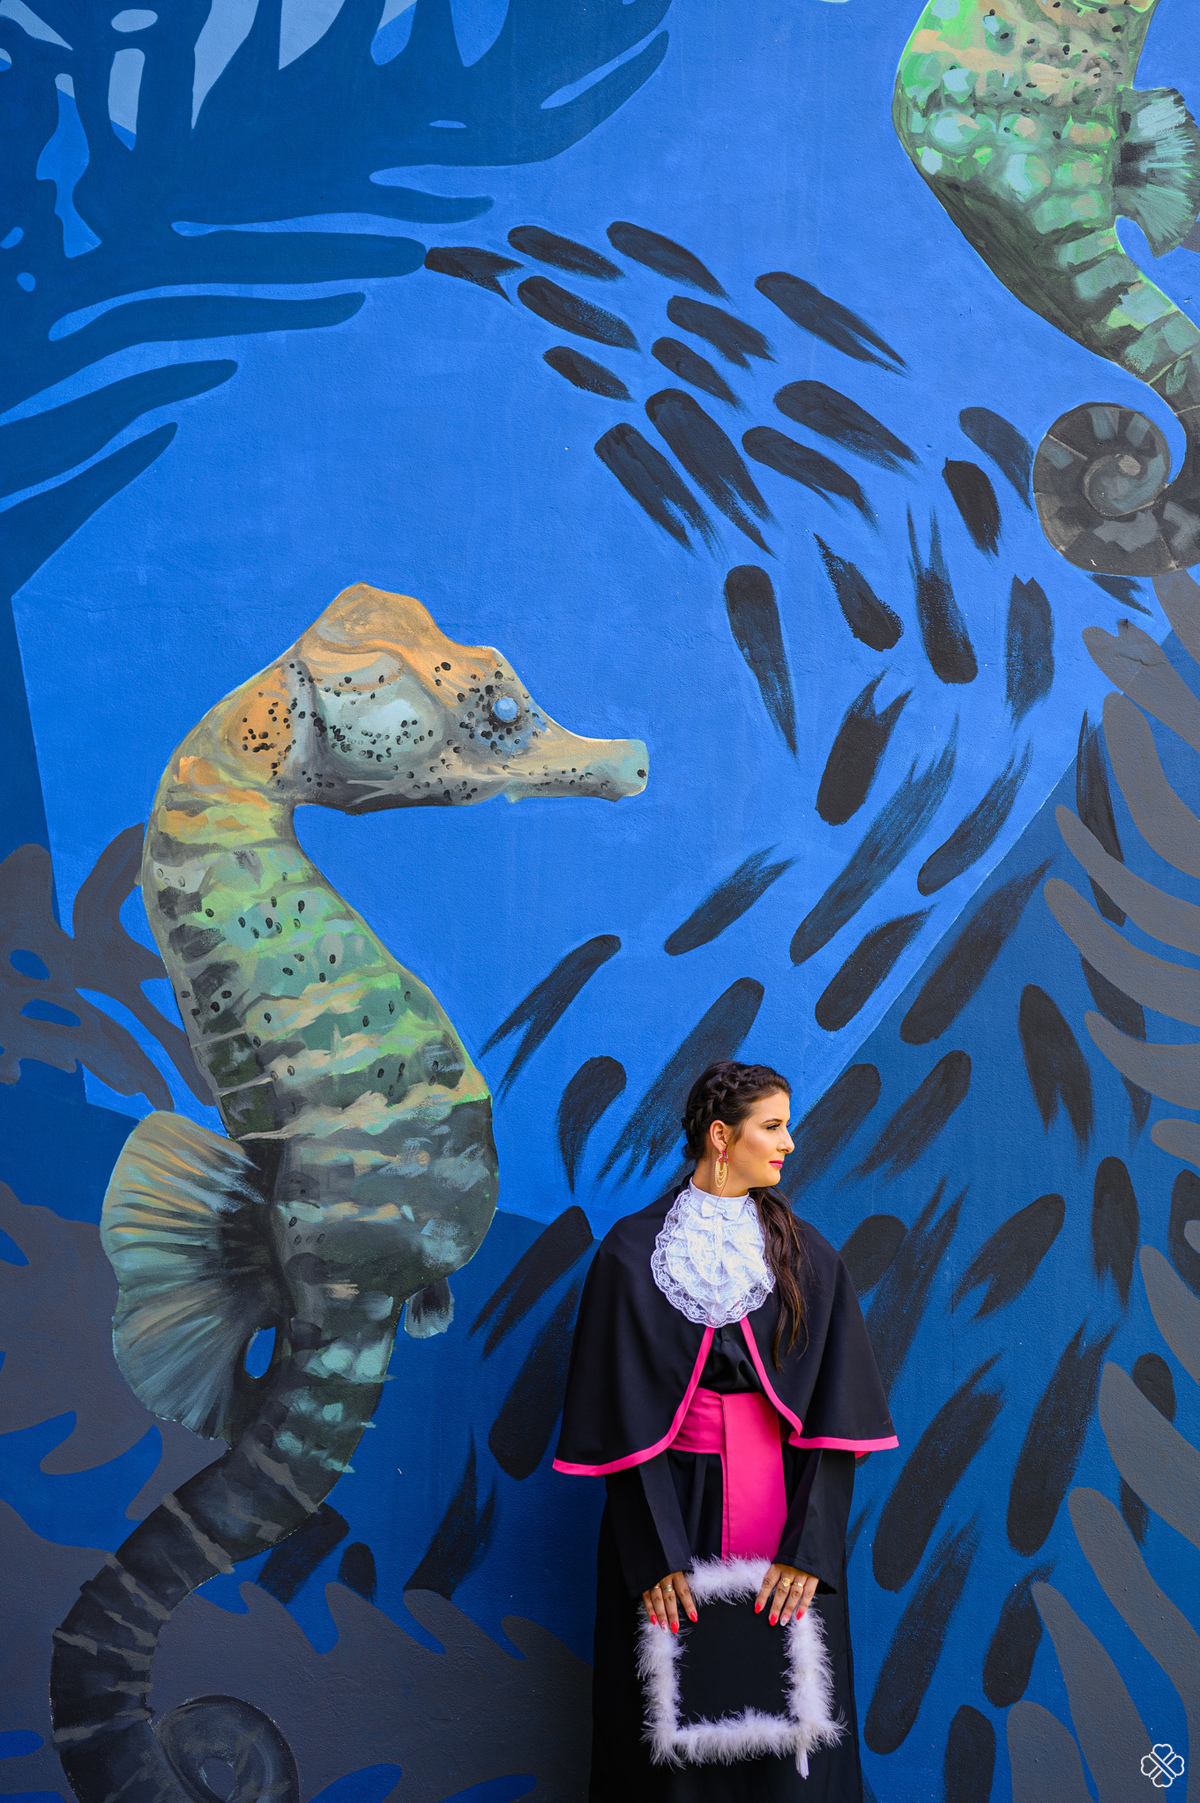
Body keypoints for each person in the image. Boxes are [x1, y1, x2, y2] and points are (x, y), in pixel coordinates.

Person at [554, 1060, 897, 1801]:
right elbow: (620, 1421)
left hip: (788, 1527)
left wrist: (810, 1552)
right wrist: (656, 1555)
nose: (790, 1143)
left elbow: (840, 1422)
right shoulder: (628, 1255)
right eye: (773, 1126)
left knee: (794, 1749)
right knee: (663, 1739)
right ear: (721, 1136)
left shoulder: (808, 1256)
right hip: (668, 1519)